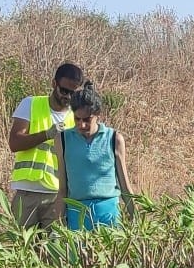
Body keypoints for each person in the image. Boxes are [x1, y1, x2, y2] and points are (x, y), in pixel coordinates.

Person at [7, 62, 82, 229]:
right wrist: (47, 134)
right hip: (28, 193)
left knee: (53, 252)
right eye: (64, 91)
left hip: (58, 195)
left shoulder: (77, 117)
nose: (68, 97)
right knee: (20, 249)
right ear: (54, 84)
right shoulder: (31, 104)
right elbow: (14, 142)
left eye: (73, 93)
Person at [54, 85, 135, 230]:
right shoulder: (63, 139)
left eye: (87, 120)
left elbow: (125, 186)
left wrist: (136, 220)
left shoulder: (114, 138)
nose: (81, 124)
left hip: (108, 213)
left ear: (98, 115)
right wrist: (59, 227)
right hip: (77, 214)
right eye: (77, 119)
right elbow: (62, 189)